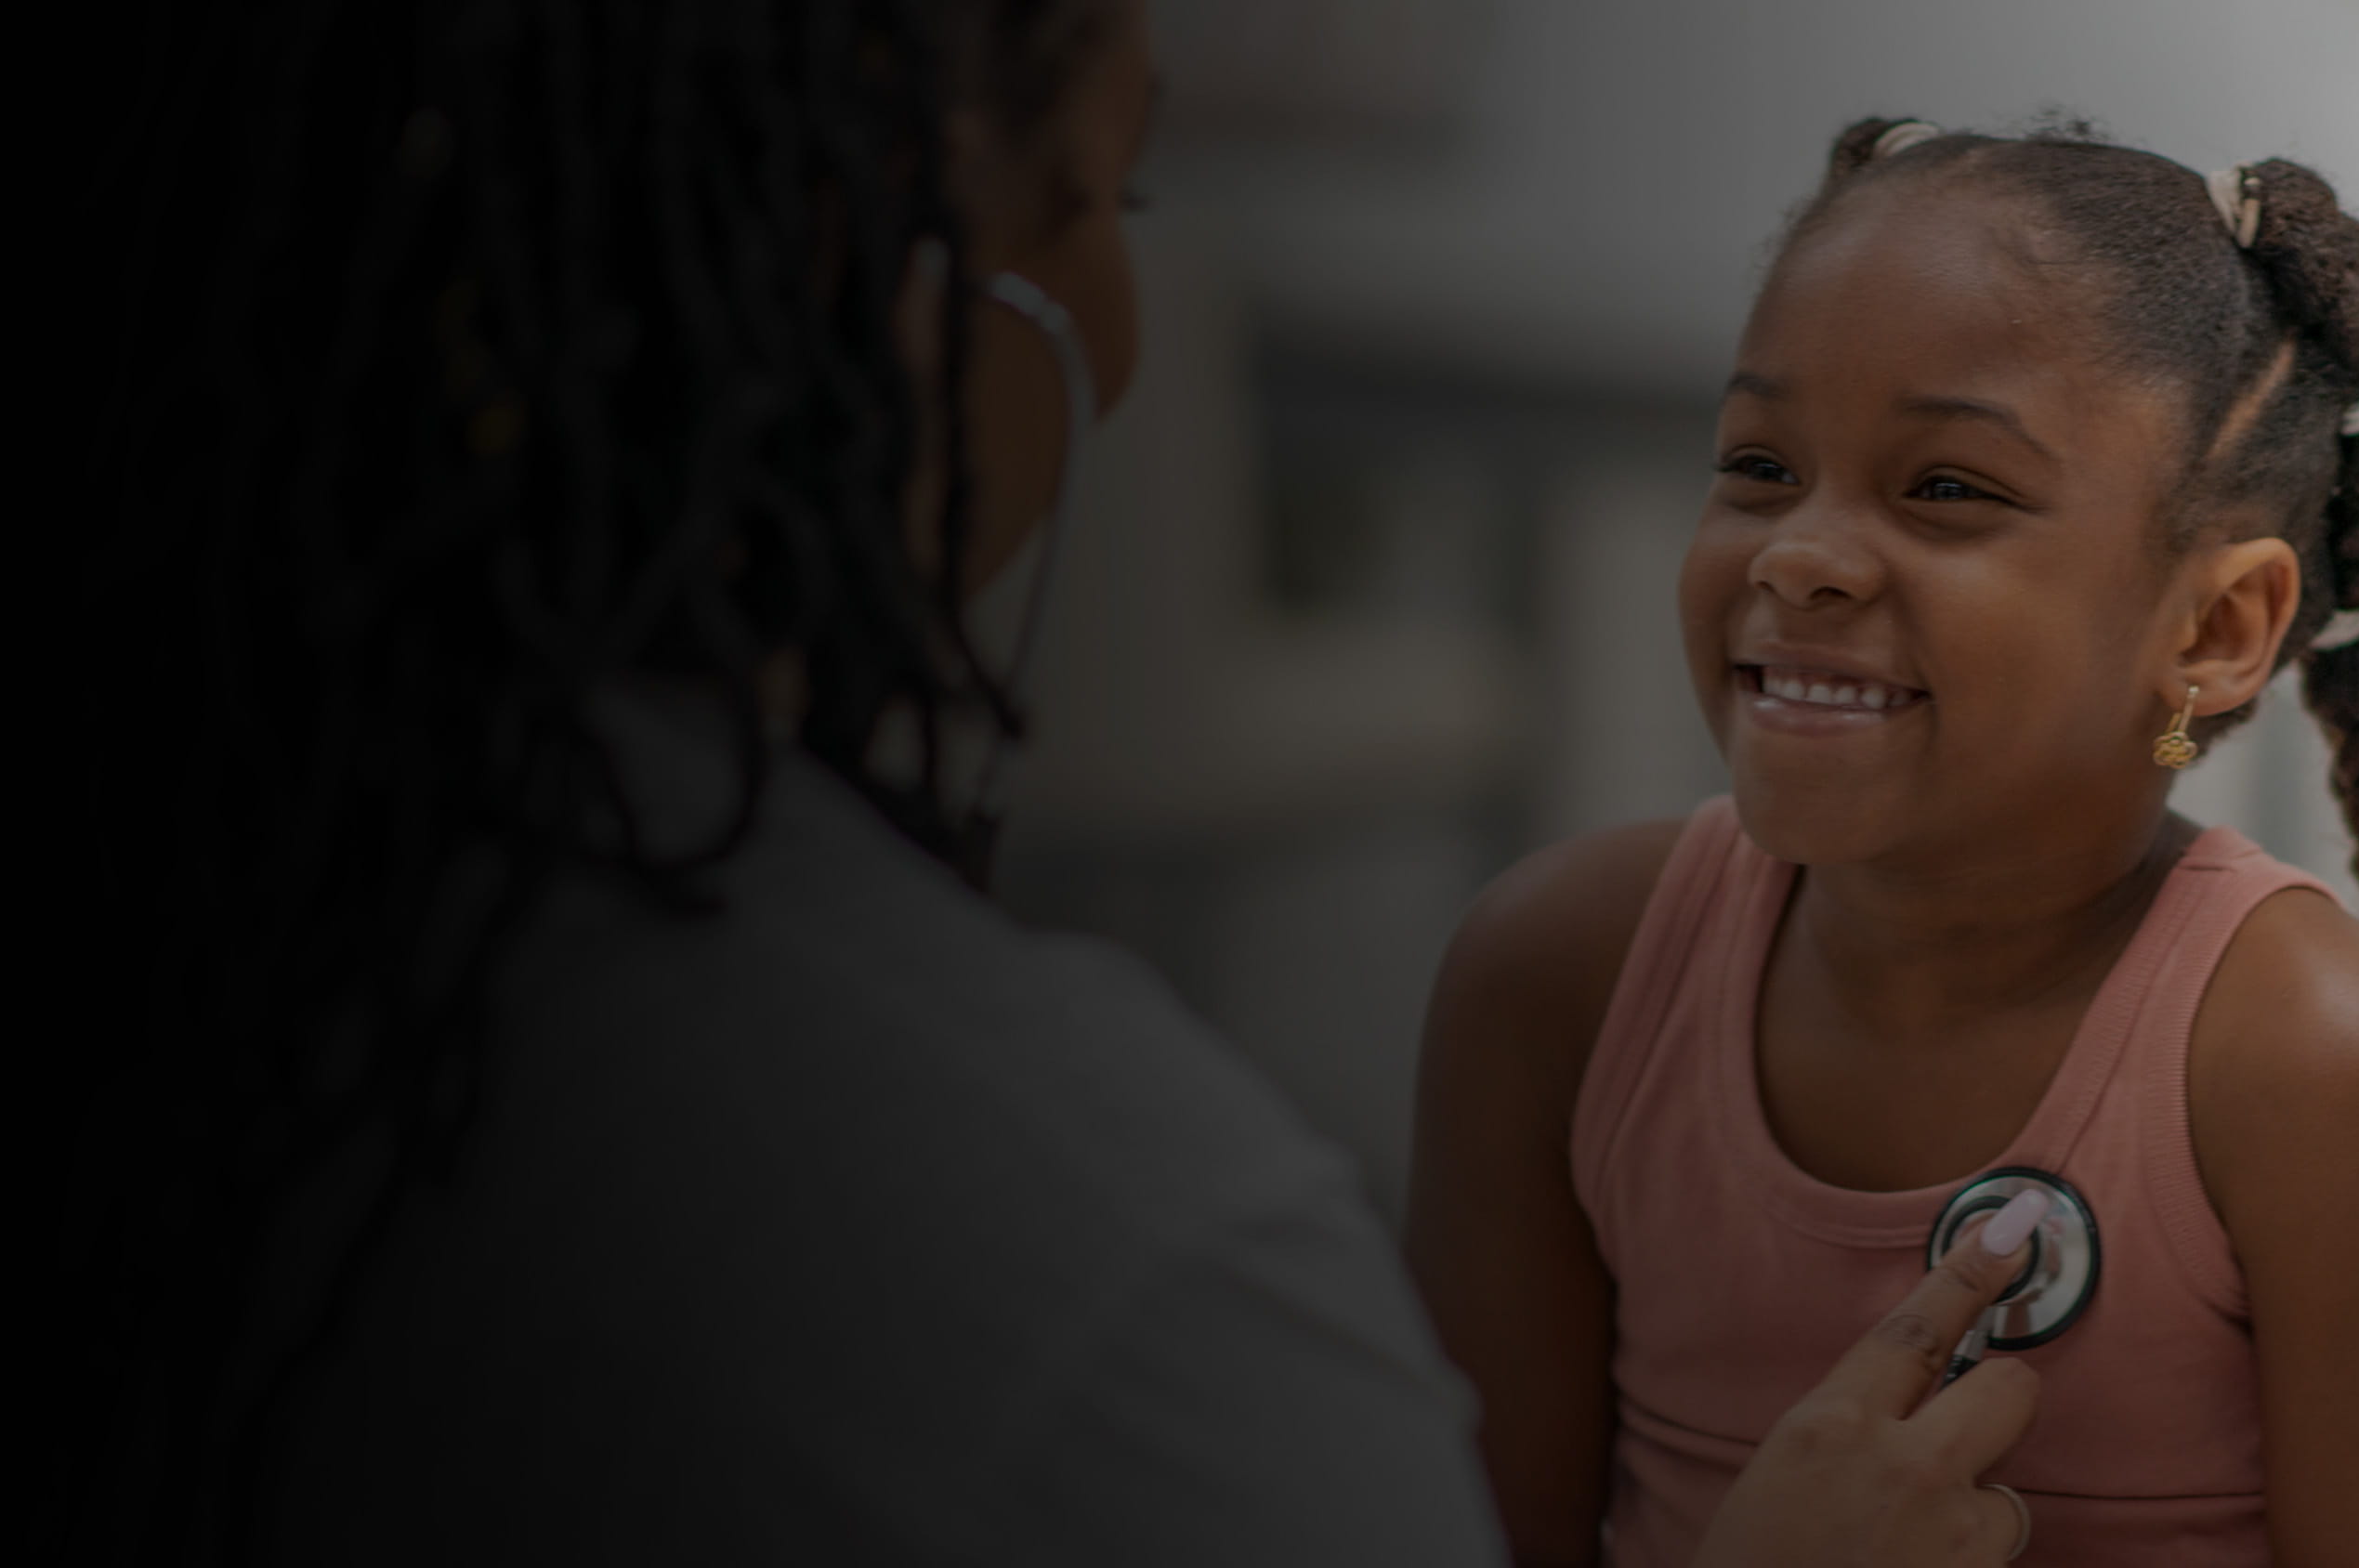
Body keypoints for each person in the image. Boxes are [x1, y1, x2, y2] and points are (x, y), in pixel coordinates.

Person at [60, 6, 2039, 1564]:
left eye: (1949, 490)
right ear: (876, 262)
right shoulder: (1133, 1285)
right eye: (1099, 203)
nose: (1108, 326)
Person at [1406, 117, 2359, 1568]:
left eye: (1947, 488)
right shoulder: (1557, 979)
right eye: (1757, 464)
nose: (1796, 552)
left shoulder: (2321, 1071)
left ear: (2211, 631)